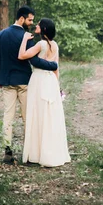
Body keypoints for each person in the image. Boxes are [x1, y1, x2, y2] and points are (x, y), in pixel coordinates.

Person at [0, 6, 59, 164]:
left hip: (7, 81)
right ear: (21, 18)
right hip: (24, 82)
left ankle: (7, 152)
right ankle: (29, 152)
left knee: (7, 117)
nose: (31, 23)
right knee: (27, 117)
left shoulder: (1, 35)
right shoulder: (27, 37)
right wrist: (53, 66)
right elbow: (33, 60)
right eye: (29, 20)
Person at [18, 18, 70, 167]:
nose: (37, 26)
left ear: (44, 29)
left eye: (39, 25)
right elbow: (56, 68)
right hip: (51, 81)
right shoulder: (55, 45)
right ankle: (51, 151)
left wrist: (24, 39)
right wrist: (58, 86)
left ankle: (36, 153)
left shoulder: (40, 44)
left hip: (39, 79)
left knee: (38, 114)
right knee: (50, 116)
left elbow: (22, 55)